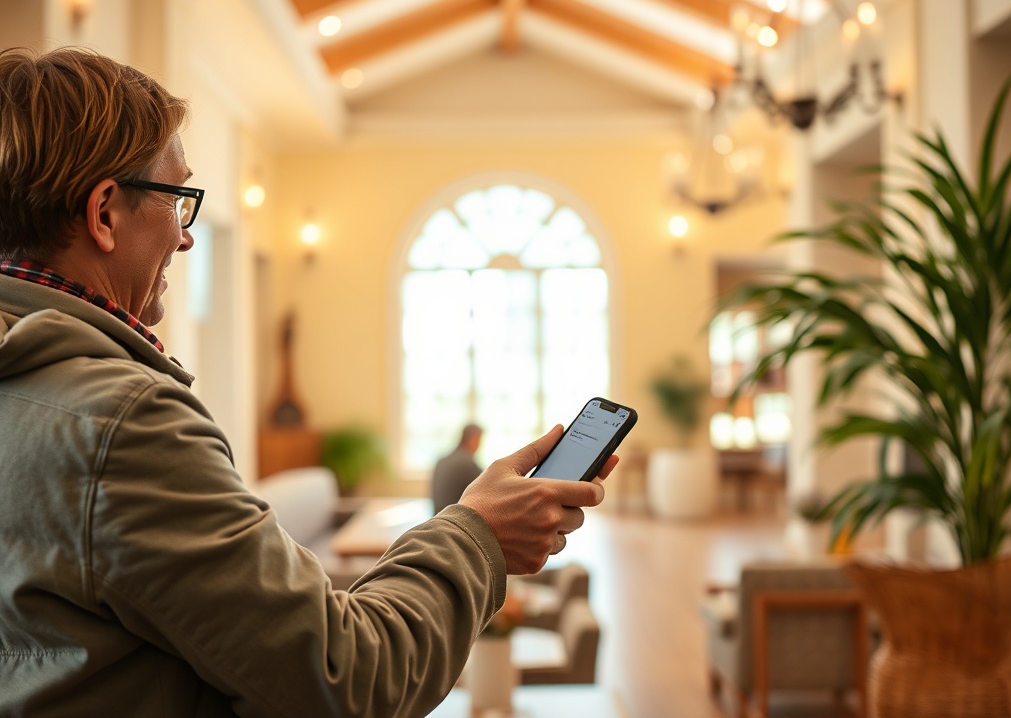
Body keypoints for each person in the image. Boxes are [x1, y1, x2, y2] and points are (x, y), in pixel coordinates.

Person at [0, 47, 617, 717]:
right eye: (179, 202)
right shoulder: (122, 424)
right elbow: (346, 680)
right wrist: (479, 534)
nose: (186, 240)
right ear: (104, 214)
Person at [431, 423, 485, 514]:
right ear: (474, 439)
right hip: (455, 520)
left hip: (437, 518)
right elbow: (484, 491)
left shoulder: (441, 461)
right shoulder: (468, 464)